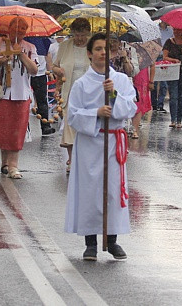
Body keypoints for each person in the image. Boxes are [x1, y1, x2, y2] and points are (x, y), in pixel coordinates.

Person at [65, 33, 137, 261]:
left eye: (106, 48)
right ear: (89, 53)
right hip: (90, 143)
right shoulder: (81, 84)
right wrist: (95, 113)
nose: (102, 53)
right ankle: (91, 243)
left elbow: (131, 108)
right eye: (97, 49)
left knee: (113, 190)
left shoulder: (121, 80)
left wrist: (113, 95)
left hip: (113, 141)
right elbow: (73, 115)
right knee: (91, 191)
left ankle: (112, 239)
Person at [0, 17, 38, 179]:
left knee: (15, 131)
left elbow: (34, 70)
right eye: (15, 28)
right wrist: (1, 59)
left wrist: (21, 54)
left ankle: (12, 166)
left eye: (22, 29)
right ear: (8, 29)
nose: (18, 32)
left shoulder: (29, 47)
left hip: (20, 94)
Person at [52, 17, 91, 173]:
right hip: (69, 91)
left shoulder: (93, 46)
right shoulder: (65, 46)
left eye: (83, 35)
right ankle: (71, 158)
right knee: (70, 125)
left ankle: (84, 158)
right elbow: (54, 66)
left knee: (86, 125)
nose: (80, 38)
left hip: (89, 92)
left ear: (88, 33)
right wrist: (59, 71)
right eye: (77, 35)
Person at [162, 27, 182, 129]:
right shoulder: (169, 42)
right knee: (173, 96)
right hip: (172, 72)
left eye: (178, 30)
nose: (176, 32)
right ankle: (173, 119)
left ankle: (179, 120)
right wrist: (173, 60)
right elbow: (164, 57)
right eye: (175, 30)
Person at [152, 20, 173, 111]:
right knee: (154, 81)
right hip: (155, 56)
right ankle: (153, 103)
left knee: (164, 82)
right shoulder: (154, 28)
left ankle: (160, 104)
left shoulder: (170, 31)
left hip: (165, 57)